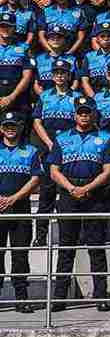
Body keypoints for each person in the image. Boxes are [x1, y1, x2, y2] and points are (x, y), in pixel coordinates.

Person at [48, 96, 110, 312]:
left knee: (96, 248)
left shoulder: (105, 138)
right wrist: (71, 189)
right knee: (66, 248)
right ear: (75, 114)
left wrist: (87, 189)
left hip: (94, 196)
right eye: (80, 112)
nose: (84, 115)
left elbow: (108, 171)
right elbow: (53, 170)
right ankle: (59, 298)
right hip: (69, 195)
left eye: (87, 112)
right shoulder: (62, 138)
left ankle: (100, 296)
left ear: (94, 114)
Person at [0, 111, 42, 313]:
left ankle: (21, 298)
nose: (10, 129)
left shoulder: (32, 151)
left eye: (13, 125)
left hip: (21, 209)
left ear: (20, 127)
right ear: (1, 128)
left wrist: (14, 198)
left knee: (20, 256)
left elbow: (35, 179)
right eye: (6, 125)